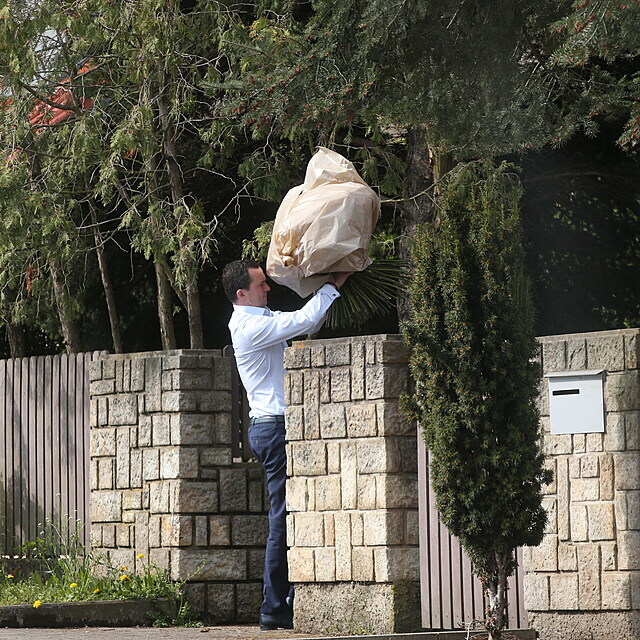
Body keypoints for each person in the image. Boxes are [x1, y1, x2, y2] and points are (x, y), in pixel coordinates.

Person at [222, 260, 352, 631]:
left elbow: (305, 320)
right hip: (274, 427)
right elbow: (304, 321)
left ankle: (278, 603)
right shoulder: (251, 325)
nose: (268, 288)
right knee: (281, 519)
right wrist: (333, 285)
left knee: (285, 515)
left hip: (271, 427)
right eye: (261, 284)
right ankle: (274, 606)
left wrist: (327, 290)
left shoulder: (256, 321)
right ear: (241, 294)